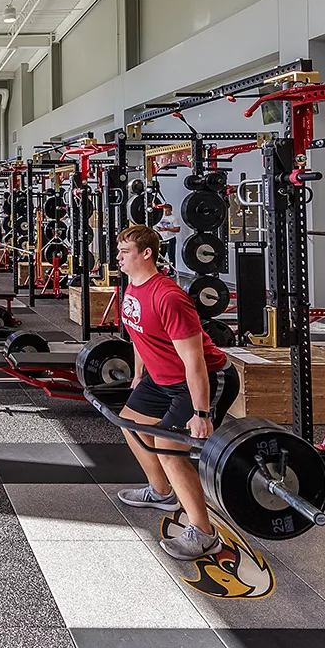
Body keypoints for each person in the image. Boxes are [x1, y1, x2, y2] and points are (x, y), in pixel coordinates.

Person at [112, 224, 240, 561]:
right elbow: (139, 335)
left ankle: (205, 534)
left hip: (203, 378)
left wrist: (201, 413)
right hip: (161, 378)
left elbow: (195, 360)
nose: (118, 257)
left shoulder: (168, 297)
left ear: (146, 253)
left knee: (169, 448)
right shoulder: (133, 289)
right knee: (130, 423)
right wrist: (140, 374)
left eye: (125, 252)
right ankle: (161, 491)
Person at [155, 202, 181, 273]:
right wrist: (159, 229)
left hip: (170, 239)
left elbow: (177, 229)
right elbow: (158, 226)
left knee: (171, 255)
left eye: (167, 211)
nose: (166, 212)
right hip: (162, 239)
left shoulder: (173, 218)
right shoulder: (161, 217)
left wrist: (167, 229)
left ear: (171, 210)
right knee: (161, 255)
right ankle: (160, 270)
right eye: (164, 211)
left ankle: (172, 270)